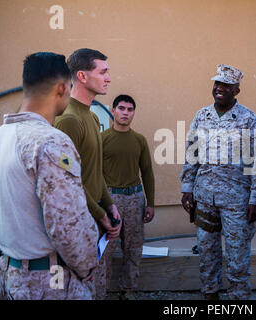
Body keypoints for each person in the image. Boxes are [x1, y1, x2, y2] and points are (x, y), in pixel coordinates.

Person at [0, 52, 98, 299]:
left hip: (10, 273)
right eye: (69, 87)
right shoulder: (50, 142)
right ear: (61, 88)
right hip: (47, 282)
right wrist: (88, 267)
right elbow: (67, 224)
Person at [180, 64, 256, 300]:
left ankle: (238, 299)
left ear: (236, 91)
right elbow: (192, 154)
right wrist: (187, 189)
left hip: (237, 202)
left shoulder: (249, 120)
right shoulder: (202, 116)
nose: (220, 89)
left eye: (226, 86)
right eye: (217, 84)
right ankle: (210, 296)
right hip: (205, 198)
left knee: (237, 256)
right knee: (207, 252)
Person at [54, 48, 121, 300]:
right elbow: (67, 180)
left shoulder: (92, 117)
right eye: (103, 72)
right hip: (78, 221)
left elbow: (94, 171)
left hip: (94, 219)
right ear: (82, 76)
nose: (108, 78)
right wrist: (100, 214)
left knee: (96, 286)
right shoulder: (69, 120)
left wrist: (110, 205)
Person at [102, 94, 155, 300]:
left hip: (135, 197)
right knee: (105, 249)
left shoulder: (139, 140)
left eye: (130, 109)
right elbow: (94, 173)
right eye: (121, 108)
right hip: (110, 198)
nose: (125, 113)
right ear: (113, 111)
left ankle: (128, 290)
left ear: (133, 113)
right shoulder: (102, 139)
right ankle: (102, 290)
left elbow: (147, 172)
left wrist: (150, 203)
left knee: (133, 247)